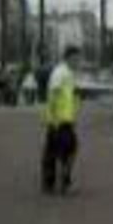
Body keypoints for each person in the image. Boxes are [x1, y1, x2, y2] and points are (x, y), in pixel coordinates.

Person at [42, 46, 81, 194]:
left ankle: (49, 183)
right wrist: (54, 118)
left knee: (52, 151)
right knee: (70, 150)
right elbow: (54, 94)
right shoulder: (61, 72)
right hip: (60, 120)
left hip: (63, 119)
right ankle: (64, 183)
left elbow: (70, 96)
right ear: (69, 57)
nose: (78, 61)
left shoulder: (68, 73)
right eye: (77, 58)